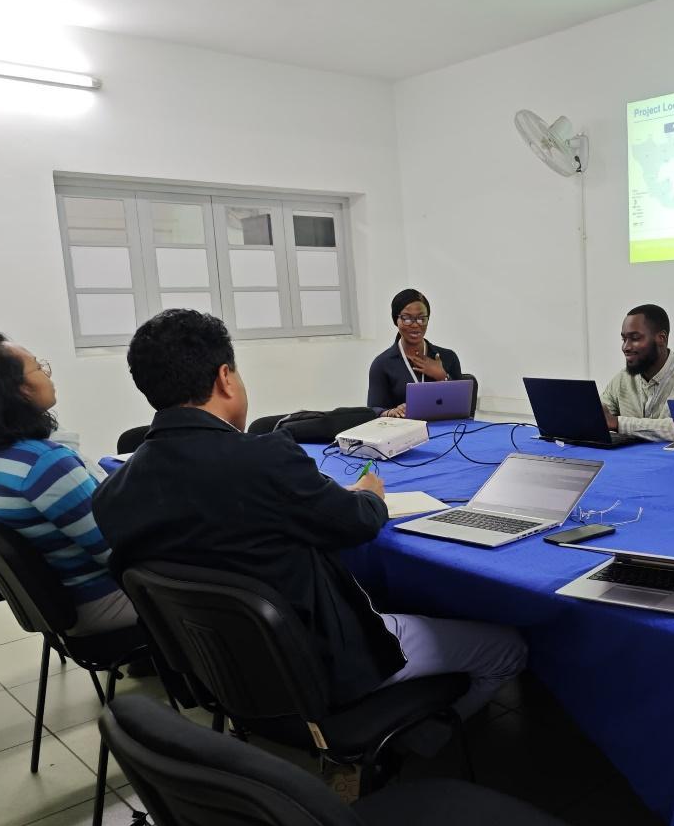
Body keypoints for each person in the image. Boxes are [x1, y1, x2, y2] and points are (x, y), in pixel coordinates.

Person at [94, 309, 525, 720]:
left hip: (218, 669)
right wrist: (370, 494)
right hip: (321, 662)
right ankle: (421, 742)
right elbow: (356, 522)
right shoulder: (265, 460)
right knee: (507, 647)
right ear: (225, 378)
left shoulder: (112, 494)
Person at [0, 330, 136, 635]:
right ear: (17, 390)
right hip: (101, 600)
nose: (47, 374)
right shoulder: (44, 465)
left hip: (57, 603)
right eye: (38, 367)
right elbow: (117, 552)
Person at [600, 304, 674, 442]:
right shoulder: (621, 379)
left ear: (661, 338)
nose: (625, 347)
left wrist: (619, 423)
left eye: (635, 338)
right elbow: (601, 417)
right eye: (624, 339)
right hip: (629, 462)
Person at [367, 288, 462, 418]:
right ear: (396, 320)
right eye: (407, 318)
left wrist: (442, 376)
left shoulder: (448, 357)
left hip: (446, 431)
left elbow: (461, 404)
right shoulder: (382, 364)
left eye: (421, 318)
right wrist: (390, 412)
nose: (415, 325)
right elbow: (373, 410)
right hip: (404, 433)